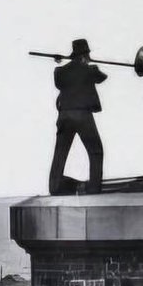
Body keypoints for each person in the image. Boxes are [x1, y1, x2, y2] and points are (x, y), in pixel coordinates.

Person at [48, 38, 108, 195]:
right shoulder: (90, 70)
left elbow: (59, 83)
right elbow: (103, 78)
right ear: (84, 55)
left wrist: (60, 62)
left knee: (60, 152)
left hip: (64, 115)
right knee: (95, 151)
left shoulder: (60, 72)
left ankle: (54, 188)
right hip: (82, 115)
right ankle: (94, 189)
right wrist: (90, 65)